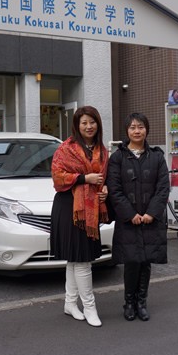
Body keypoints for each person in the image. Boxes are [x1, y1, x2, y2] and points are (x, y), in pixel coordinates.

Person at [107, 113, 170, 321]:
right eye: (133, 127)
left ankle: (142, 302)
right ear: (127, 131)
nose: (137, 131)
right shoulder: (117, 158)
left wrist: (152, 213)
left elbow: (163, 188)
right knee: (131, 261)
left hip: (150, 220)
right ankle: (129, 303)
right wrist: (130, 214)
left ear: (147, 129)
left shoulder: (157, 156)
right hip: (129, 221)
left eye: (140, 127)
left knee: (146, 261)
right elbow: (114, 190)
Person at [51, 106, 109, 327]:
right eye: (84, 122)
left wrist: (105, 190)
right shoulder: (66, 148)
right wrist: (85, 178)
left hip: (90, 207)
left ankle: (70, 303)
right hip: (69, 208)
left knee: (76, 259)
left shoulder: (102, 151)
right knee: (82, 260)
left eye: (92, 122)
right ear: (77, 125)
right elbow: (57, 177)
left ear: (98, 124)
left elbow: (105, 179)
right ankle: (90, 307)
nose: (88, 126)